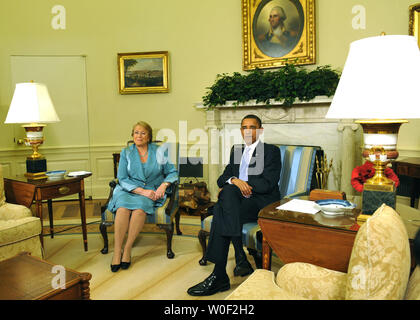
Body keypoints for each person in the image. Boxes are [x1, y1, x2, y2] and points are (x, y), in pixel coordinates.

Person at [187, 114, 281, 296]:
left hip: (261, 202)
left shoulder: (271, 151)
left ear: (260, 130)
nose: (248, 131)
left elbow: (268, 183)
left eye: (252, 127)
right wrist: (234, 180)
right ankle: (231, 265)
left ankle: (226, 268)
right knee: (228, 195)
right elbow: (221, 179)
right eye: (244, 127)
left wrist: (240, 184)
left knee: (224, 201)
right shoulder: (236, 151)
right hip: (238, 203)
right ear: (240, 131)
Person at [107, 121, 178, 272]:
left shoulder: (159, 151)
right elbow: (122, 178)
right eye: (136, 132)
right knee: (122, 209)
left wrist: (163, 185)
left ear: (149, 136)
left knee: (139, 210)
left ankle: (127, 249)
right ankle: (116, 252)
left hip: (151, 190)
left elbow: (172, 172)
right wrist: (140, 190)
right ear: (132, 135)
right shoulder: (126, 152)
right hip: (128, 190)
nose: (139, 136)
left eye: (143, 133)